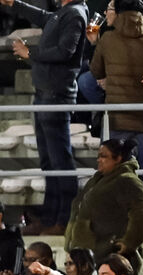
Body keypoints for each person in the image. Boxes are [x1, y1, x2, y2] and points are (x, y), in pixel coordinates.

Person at [0, 0, 87, 234]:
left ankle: (63, 219)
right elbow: (44, 16)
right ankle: (49, 218)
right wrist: (15, 4)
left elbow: (65, 51)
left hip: (56, 96)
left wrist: (31, 52)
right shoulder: (63, 13)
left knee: (60, 162)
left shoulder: (75, 14)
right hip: (44, 96)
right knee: (49, 161)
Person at [90, 0, 143, 223]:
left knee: (117, 172)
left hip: (119, 118)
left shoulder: (107, 40)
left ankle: (119, 217)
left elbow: (96, 70)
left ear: (118, 14)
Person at [63, 138, 143, 260]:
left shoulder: (127, 180)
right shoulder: (97, 179)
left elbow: (142, 212)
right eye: (98, 156)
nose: (99, 160)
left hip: (111, 257)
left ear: (118, 158)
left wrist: (130, 242)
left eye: (103, 156)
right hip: (86, 256)